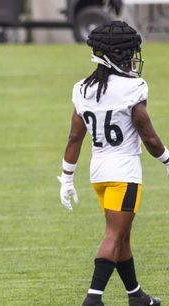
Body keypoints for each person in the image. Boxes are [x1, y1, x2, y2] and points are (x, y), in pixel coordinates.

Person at [58, 21, 165, 306]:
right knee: (114, 235)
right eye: (129, 52)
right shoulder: (133, 88)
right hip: (125, 175)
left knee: (122, 237)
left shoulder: (82, 89)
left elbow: (74, 138)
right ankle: (93, 299)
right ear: (116, 55)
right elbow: (149, 137)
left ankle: (136, 296)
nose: (133, 58)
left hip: (99, 175)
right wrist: (168, 161)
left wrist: (66, 178)